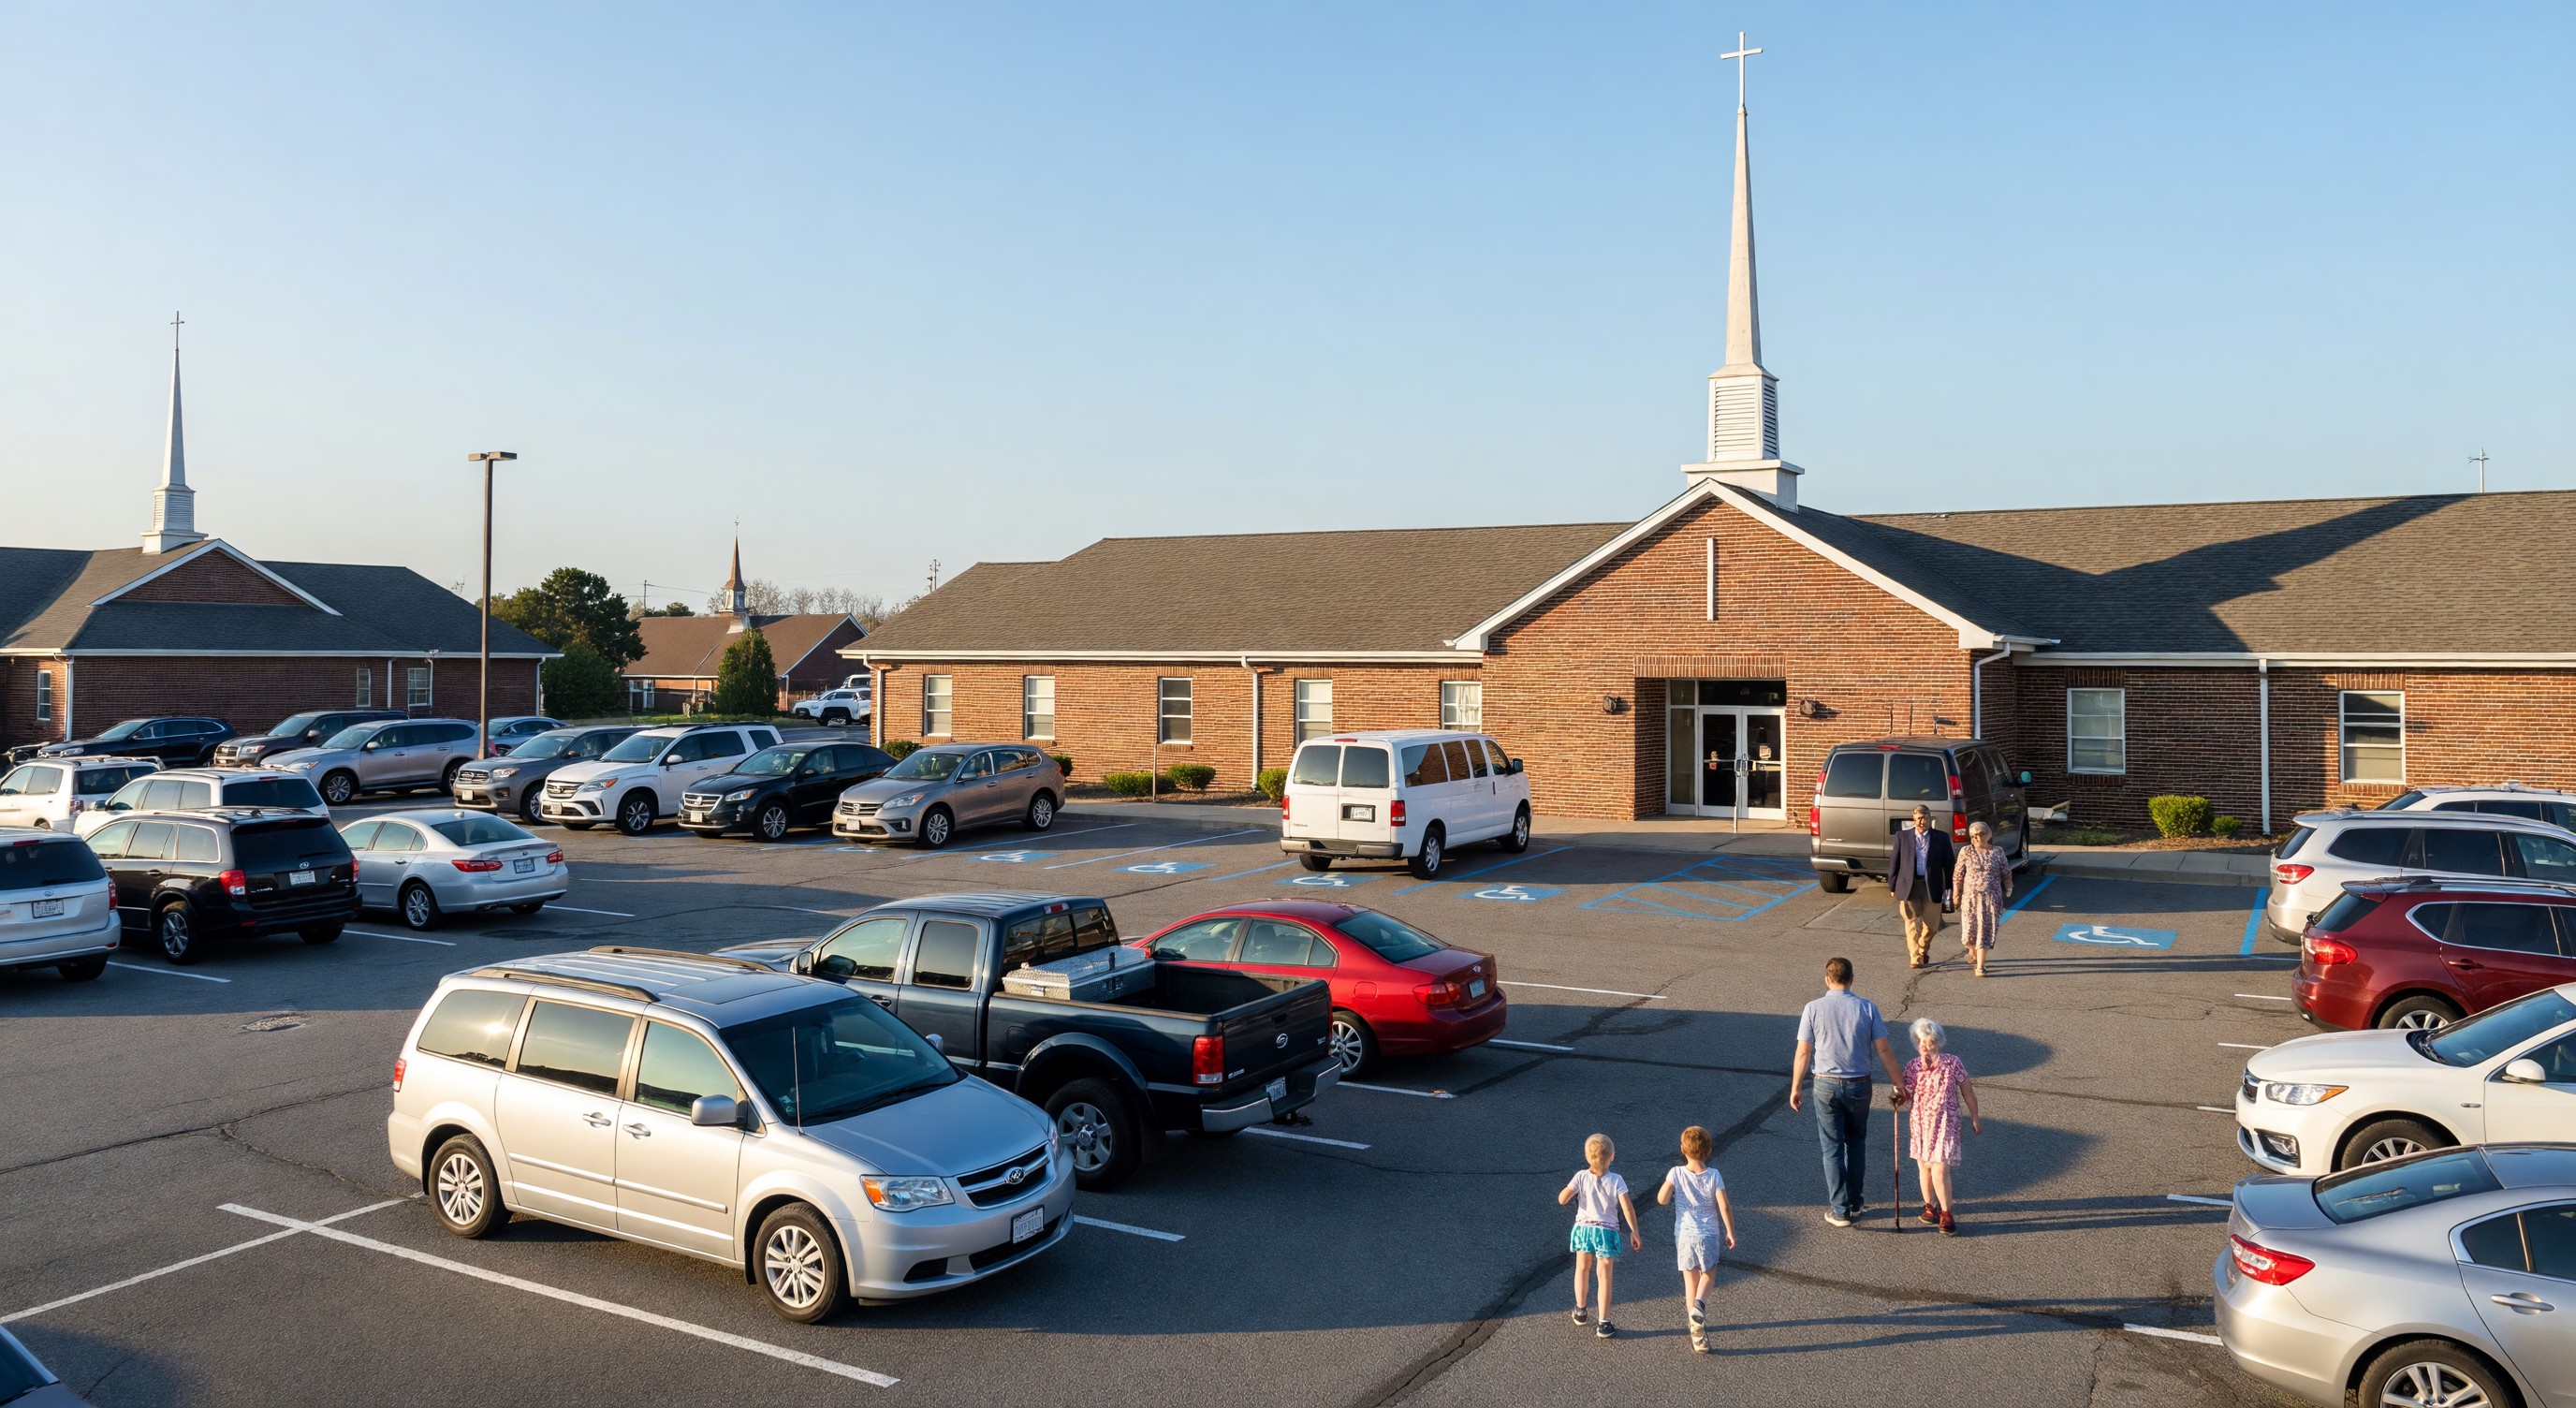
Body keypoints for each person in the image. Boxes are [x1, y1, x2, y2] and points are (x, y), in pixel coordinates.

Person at [1787, 957, 1908, 1227]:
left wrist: (1796, 1087)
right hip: (1860, 1084)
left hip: (1825, 1084)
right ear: (1852, 978)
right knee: (1856, 1144)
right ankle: (1855, 1203)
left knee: (1832, 1149)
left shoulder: (1813, 1008)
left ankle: (1839, 1209)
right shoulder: (1867, 1007)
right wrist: (1899, 1083)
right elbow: (1884, 1049)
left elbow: (1803, 1051)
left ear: (1827, 979)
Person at [1655, 1125, 1737, 1355]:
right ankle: (1700, 1306)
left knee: (1690, 1280)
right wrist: (1730, 1231)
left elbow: (1661, 1199)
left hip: (1684, 1235)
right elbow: (1724, 1206)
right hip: (1708, 1234)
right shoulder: (1714, 1176)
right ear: (1709, 1151)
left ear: (1682, 1149)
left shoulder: (1675, 1173)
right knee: (1708, 1274)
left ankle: (1696, 1332)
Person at [1559, 1133, 1644, 1338]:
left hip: (1583, 1230)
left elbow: (1562, 1199)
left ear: (1587, 1158)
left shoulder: (1580, 1176)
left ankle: (1580, 1311)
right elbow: (1628, 1209)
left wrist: (1573, 1194)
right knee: (1604, 1276)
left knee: (1582, 1269)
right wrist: (1635, 1232)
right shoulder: (1616, 1180)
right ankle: (1604, 1323)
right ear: (1612, 1157)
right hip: (1606, 1231)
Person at [1903, 1018, 1982, 1236]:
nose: (1926, 1047)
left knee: (1940, 1168)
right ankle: (1930, 1206)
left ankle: (1946, 1213)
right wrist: (1897, 1095)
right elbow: (1905, 1094)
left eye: (1931, 1042)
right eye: (1922, 1042)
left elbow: (1967, 1091)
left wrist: (1975, 1117)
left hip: (1947, 1121)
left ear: (1938, 1042)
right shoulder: (1913, 1066)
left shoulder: (1952, 1063)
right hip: (1920, 1123)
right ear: (1916, 1043)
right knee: (1924, 1167)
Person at [1887, 803, 1955, 969]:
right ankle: (1915, 957)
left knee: (1932, 925)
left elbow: (1949, 865)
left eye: (1924, 817)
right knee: (1911, 922)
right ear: (1913, 819)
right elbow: (1894, 862)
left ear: (1930, 819)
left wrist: (1950, 888)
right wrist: (1892, 885)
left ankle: (1922, 949)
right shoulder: (1902, 837)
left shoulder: (1941, 838)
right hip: (1908, 885)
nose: (1921, 821)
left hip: (1931, 886)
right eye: (1918, 818)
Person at [1952, 820, 2013, 978]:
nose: (1978, 838)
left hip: (1991, 898)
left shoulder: (1997, 852)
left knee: (1984, 931)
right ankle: (1971, 950)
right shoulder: (1966, 851)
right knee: (1969, 931)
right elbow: (1958, 874)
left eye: (1981, 834)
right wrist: (1956, 893)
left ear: (1988, 834)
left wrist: (2009, 886)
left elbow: (2006, 871)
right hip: (1970, 898)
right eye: (1974, 835)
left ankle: (1980, 967)